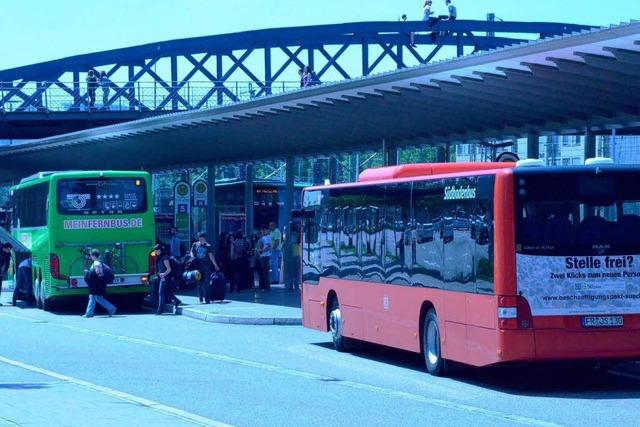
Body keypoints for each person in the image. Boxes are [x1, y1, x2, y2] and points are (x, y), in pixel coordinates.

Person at [83, 249, 117, 318]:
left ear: (94, 255)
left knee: (93, 296)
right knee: (95, 297)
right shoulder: (99, 262)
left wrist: (88, 272)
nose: (90, 257)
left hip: (96, 283)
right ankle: (90, 312)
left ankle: (90, 313)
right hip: (99, 282)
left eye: (91, 255)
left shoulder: (96, 263)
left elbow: (97, 271)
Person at [190, 232, 220, 303]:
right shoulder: (195, 245)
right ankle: (200, 297)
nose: (201, 241)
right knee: (199, 282)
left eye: (202, 239)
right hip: (197, 266)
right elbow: (191, 252)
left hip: (206, 266)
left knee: (206, 283)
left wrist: (215, 265)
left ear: (205, 239)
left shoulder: (208, 246)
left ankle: (207, 299)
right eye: (200, 239)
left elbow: (211, 256)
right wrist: (192, 257)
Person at [153, 244, 182, 315]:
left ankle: (160, 310)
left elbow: (169, 269)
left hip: (166, 278)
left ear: (160, 250)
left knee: (161, 293)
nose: (155, 252)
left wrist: (163, 274)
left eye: (156, 250)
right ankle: (177, 301)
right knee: (167, 293)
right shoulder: (160, 257)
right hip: (163, 278)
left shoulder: (164, 258)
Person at [257, 226, 272, 291]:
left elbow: (268, 246)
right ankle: (265, 286)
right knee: (264, 272)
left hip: (264, 256)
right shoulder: (267, 237)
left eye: (263, 230)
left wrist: (261, 250)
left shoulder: (265, 238)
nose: (262, 232)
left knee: (264, 272)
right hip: (265, 256)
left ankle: (265, 286)